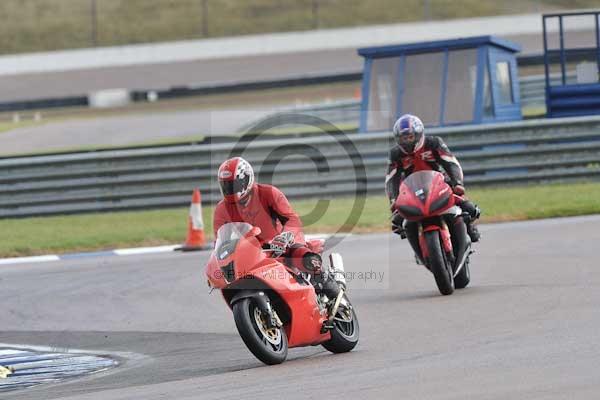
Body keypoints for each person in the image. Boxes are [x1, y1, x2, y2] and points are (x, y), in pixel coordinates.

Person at [213, 156, 341, 300]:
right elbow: (220, 241)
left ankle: (335, 293)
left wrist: (285, 237)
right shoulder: (221, 210)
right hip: (251, 255)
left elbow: (292, 219)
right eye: (226, 186)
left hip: (280, 246)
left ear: (246, 180)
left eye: (234, 185)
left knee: (305, 258)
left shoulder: (268, 193)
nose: (230, 190)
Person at [385, 114, 481, 251]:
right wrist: (393, 199)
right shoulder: (395, 153)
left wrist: (457, 182)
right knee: (397, 220)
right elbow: (392, 178)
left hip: (439, 181)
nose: (407, 141)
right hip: (412, 189)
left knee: (465, 204)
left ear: (418, 134)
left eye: (410, 137)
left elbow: (450, 162)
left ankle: (469, 225)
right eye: (403, 138)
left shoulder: (433, 143)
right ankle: (415, 239)